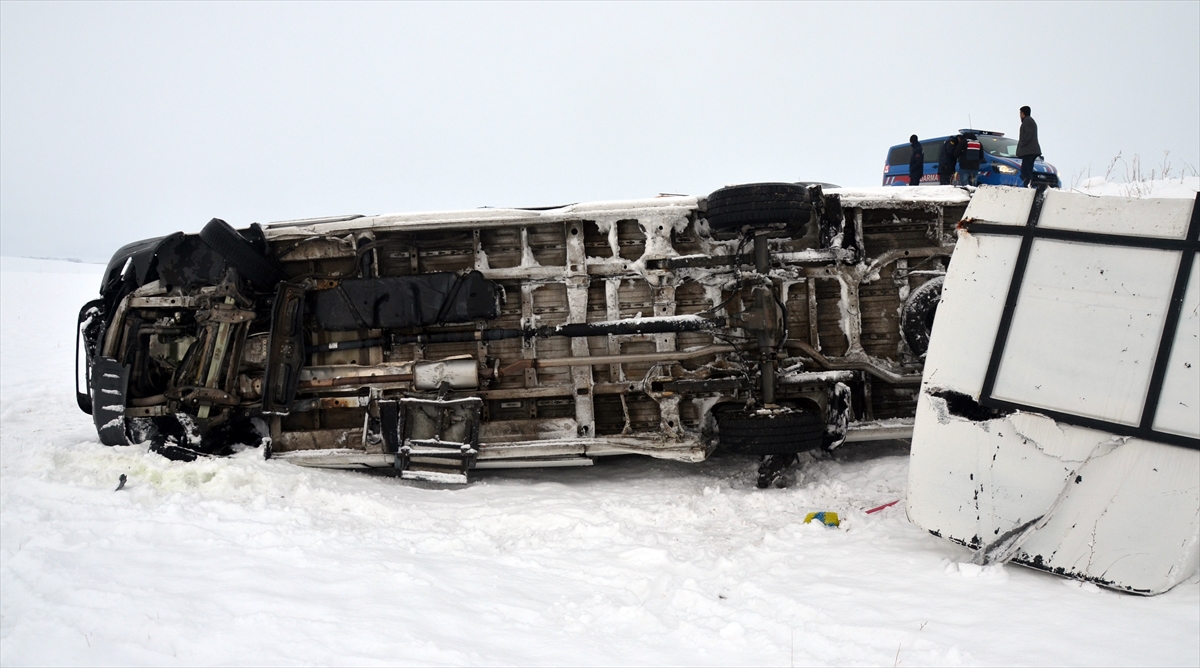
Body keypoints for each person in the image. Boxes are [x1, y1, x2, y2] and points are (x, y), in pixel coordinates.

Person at [1017, 105, 1041, 187]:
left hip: (1029, 151)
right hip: (1030, 151)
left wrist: (1022, 143)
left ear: (1023, 113)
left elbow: (1028, 134)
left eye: (1020, 113)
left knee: (1025, 170)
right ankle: (1028, 184)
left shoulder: (1028, 121)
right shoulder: (1029, 121)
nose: (1020, 115)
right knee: (1027, 169)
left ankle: (1028, 184)